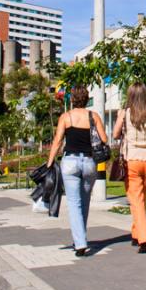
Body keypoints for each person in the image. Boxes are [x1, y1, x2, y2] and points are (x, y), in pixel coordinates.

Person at [47, 85, 107, 257]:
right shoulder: (93, 116)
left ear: (72, 100)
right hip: (89, 162)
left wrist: (50, 162)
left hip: (70, 162)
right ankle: (80, 237)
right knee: (85, 201)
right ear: (87, 99)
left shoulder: (66, 117)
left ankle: (80, 243)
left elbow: (58, 141)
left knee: (74, 203)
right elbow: (104, 139)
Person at [113, 82, 146, 254]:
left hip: (132, 160)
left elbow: (115, 135)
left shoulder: (125, 114)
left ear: (130, 96)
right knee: (141, 198)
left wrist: (119, 120)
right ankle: (136, 233)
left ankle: (144, 239)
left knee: (136, 200)